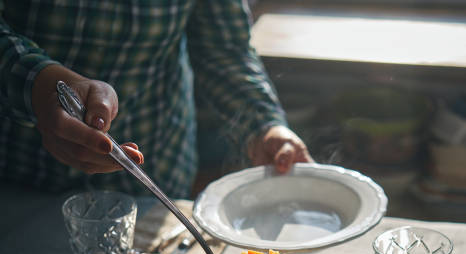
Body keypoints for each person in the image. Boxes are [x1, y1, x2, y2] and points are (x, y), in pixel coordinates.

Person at [0, 0, 313, 198]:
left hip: (155, 176)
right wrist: (38, 84)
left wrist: (265, 125)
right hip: (21, 176)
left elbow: (224, 51)